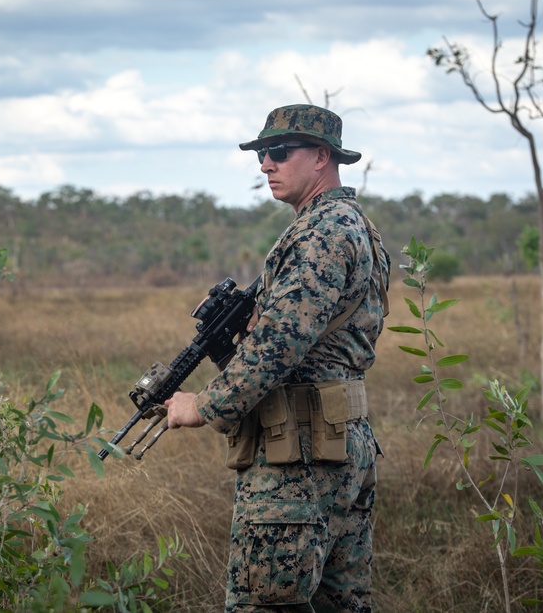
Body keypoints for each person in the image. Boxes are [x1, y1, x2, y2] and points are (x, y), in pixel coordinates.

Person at [164, 104, 390, 612]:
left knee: (262, 605)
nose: (265, 164)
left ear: (321, 157)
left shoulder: (322, 231)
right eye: (262, 154)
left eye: (279, 153)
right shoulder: (354, 226)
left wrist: (202, 405)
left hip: (299, 455)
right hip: (340, 444)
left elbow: (278, 347)